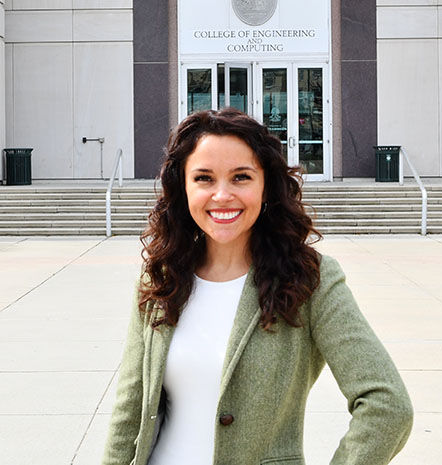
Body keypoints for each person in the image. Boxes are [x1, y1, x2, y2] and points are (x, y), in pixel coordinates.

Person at [101, 108, 413, 465]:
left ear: (266, 186)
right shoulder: (161, 277)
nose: (221, 195)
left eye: (240, 177)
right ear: (182, 188)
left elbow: (388, 406)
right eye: (204, 178)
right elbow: (130, 409)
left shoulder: (310, 279)